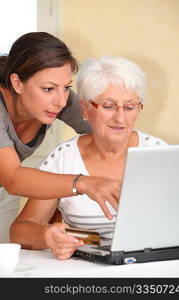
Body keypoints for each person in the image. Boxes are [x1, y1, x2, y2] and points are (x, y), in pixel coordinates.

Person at [10, 56, 168, 260]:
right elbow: (19, 231)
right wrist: (47, 236)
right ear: (85, 109)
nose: (120, 118)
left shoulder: (159, 154)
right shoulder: (64, 157)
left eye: (129, 107)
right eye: (109, 106)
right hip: (85, 272)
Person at [0, 33, 121, 243]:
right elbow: (12, 178)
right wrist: (83, 183)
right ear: (17, 83)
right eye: (48, 89)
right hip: (10, 180)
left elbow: (106, 132)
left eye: (66, 88)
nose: (60, 101)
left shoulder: (58, 99)